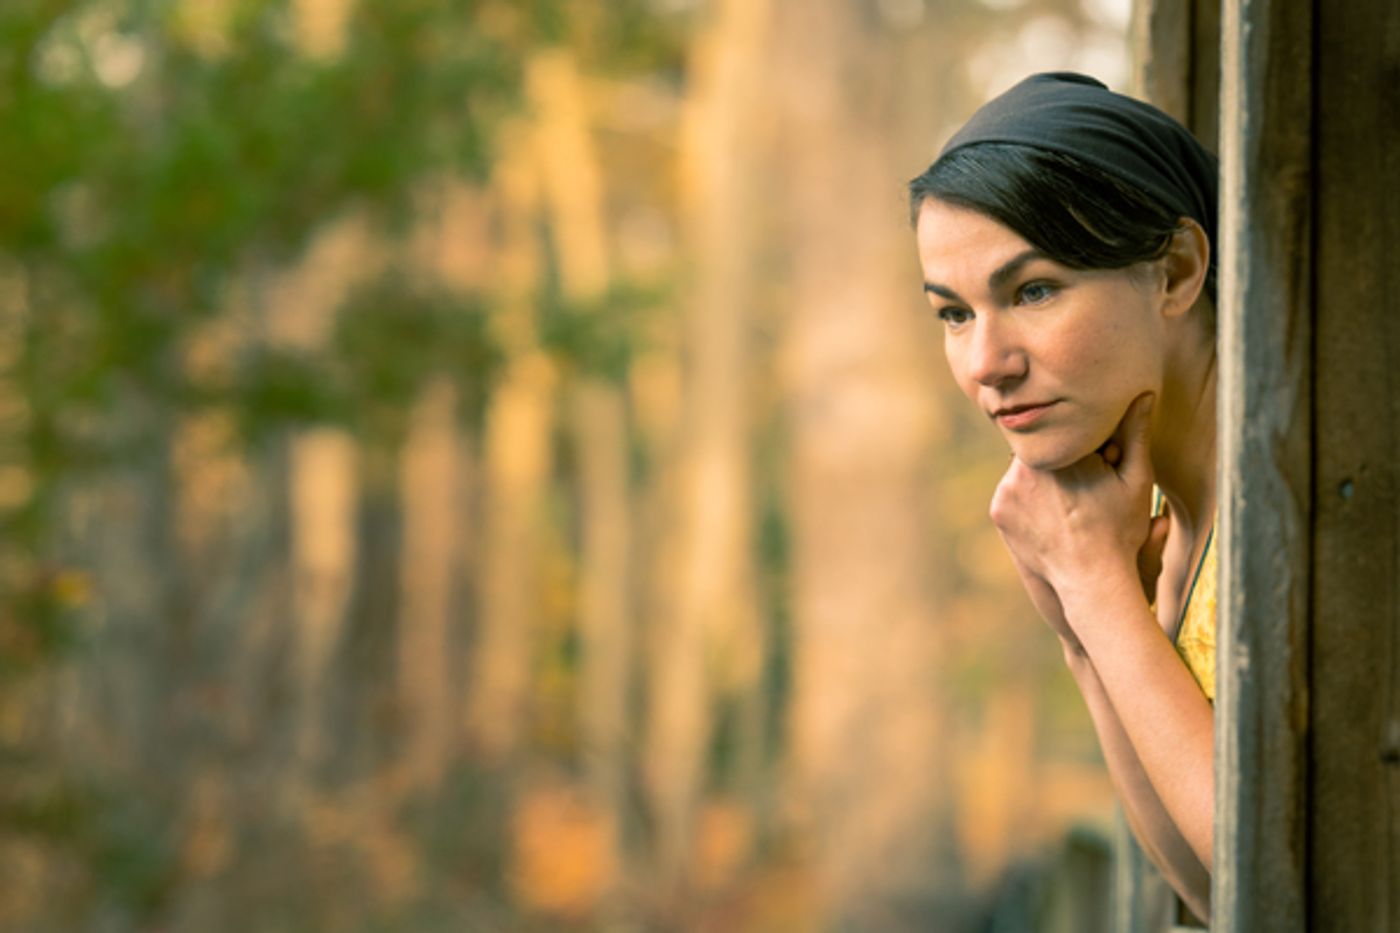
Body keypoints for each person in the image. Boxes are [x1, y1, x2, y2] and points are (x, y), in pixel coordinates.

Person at [907, 72, 1218, 921]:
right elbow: (1204, 883)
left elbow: (1280, 858)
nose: (985, 364)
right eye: (954, 314)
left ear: (1176, 272)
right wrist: (1083, 631)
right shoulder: (1168, 530)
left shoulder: (1298, 504)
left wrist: (1098, 590)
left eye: (1033, 290)